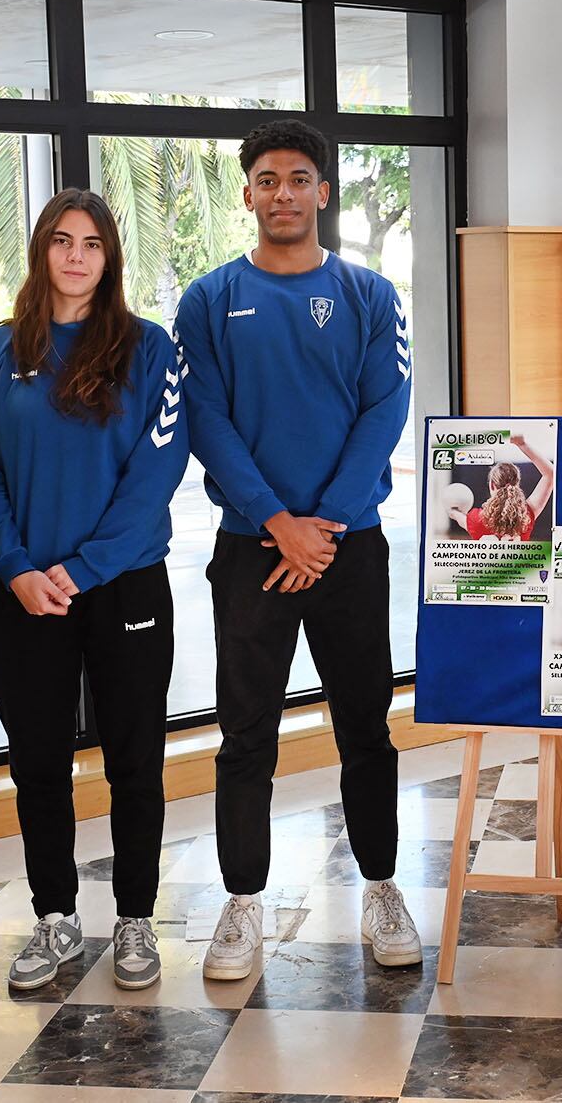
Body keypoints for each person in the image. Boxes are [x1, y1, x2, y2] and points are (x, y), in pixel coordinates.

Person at [176, 118, 417, 979]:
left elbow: (384, 409)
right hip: (254, 549)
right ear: (248, 193)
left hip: (349, 548)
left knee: (366, 727)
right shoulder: (208, 299)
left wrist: (325, 527)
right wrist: (281, 523)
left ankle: (384, 888)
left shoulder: (371, 295)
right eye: (267, 179)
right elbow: (207, 421)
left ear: (324, 192)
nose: (283, 192)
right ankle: (242, 903)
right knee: (246, 734)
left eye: (299, 178)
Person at [0, 189, 190, 992]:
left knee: (136, 760)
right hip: (24, 593)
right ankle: (55, 915)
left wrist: (84, 567)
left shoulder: (151, 348)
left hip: (122, 585)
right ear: (41, 251)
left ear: (110, 257)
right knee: (39, 765)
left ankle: (134, 918)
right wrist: (17, 567)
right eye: (61, 240)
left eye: (92, 243)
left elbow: (156, 474)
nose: (75, 256)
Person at [446, 433, 554, 540]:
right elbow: (551, 473)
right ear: (516, 484)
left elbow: (461, 518)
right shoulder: (526, 514)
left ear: (492, 485)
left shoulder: (476, 518)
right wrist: (522, 444)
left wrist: (453, 512)